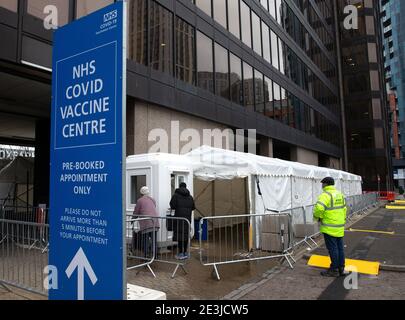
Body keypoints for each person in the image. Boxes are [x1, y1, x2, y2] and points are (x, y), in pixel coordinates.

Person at [313, 177, 347, 277]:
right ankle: (341, 268)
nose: (322, 185)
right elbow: (344, 208)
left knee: (333, 248)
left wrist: (317, 217)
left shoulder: (325, 195)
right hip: (339, 226)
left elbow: (319, 208)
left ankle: (334, 269)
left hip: (329, 226)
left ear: (326, 184)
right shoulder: (340, 194)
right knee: (340, 248)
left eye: (322, 183)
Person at [169, 182, 195, 260]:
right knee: (185, 235)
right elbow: (193, 207)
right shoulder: (190, 197)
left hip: (179, 219)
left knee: (180, 236)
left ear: (179, 187)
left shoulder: (175, 195)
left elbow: (172, 205)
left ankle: (180, 253)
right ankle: (185, 252)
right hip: (187, 219)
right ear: (186, 187)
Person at [132, 186, 160, 258]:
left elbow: (136, 212)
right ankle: (155, 255)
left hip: (146, 223)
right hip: (155, 221)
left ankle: (146, 255)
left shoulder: (140, 201)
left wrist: (132, 220)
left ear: (141, 193)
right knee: (154, 240)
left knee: (145, 240)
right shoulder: (152, 199)